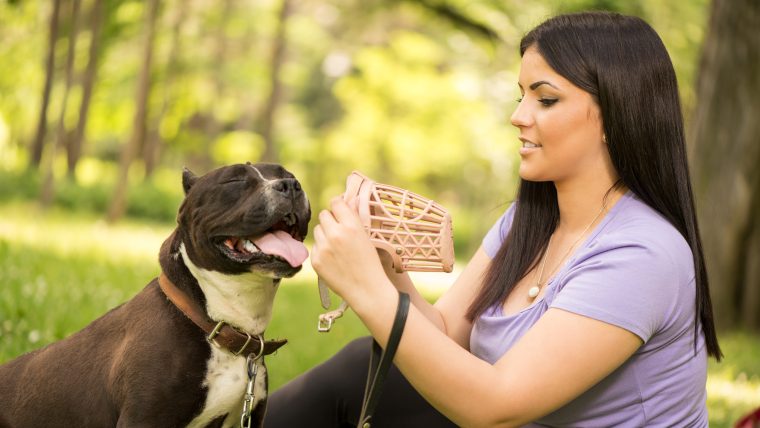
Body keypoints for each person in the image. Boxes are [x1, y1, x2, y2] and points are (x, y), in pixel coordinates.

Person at [265, 10, 722, 427]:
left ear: (613, 115)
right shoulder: (532, 219)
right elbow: (444, 335)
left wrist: (366, 289)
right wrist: (386, 271)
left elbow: (494, 406)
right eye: (521, 95)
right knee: (360, 367)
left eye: (544, 99)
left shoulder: (643, 254)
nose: (517, 116)